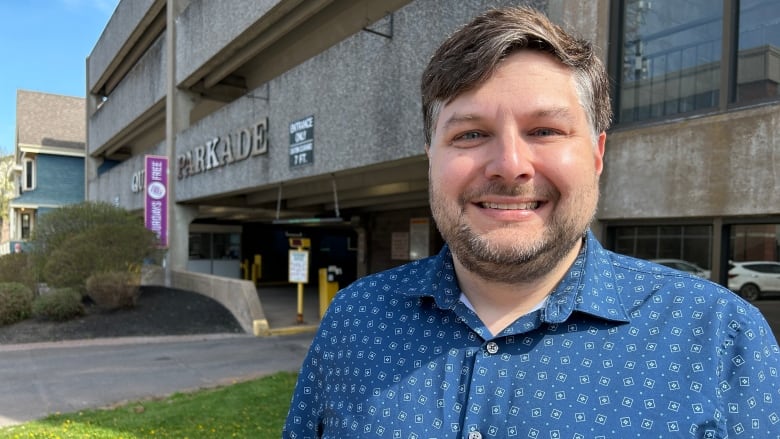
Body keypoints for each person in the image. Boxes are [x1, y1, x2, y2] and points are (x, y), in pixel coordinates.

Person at [283, 6, 780, 438]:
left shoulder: (719, 337)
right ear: (430, 158)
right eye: (471, 134)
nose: (510, 164)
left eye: (544, 130)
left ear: (597, 153)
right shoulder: (355, 321)